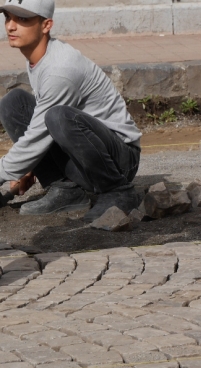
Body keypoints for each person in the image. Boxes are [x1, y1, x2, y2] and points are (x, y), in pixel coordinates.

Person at [0, 0, 142, 219]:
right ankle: (66, 190)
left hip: (119, 161)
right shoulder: (40, 57)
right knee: (14, 103)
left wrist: (10, 169)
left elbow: (39, 134)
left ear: (46, 25)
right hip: (90, 150)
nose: (10, 26)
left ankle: (117, 192)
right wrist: (29, 167)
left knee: (57, 116)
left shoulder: (61, 70)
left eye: (23, 19)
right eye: (8, 17)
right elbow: (38, 125)